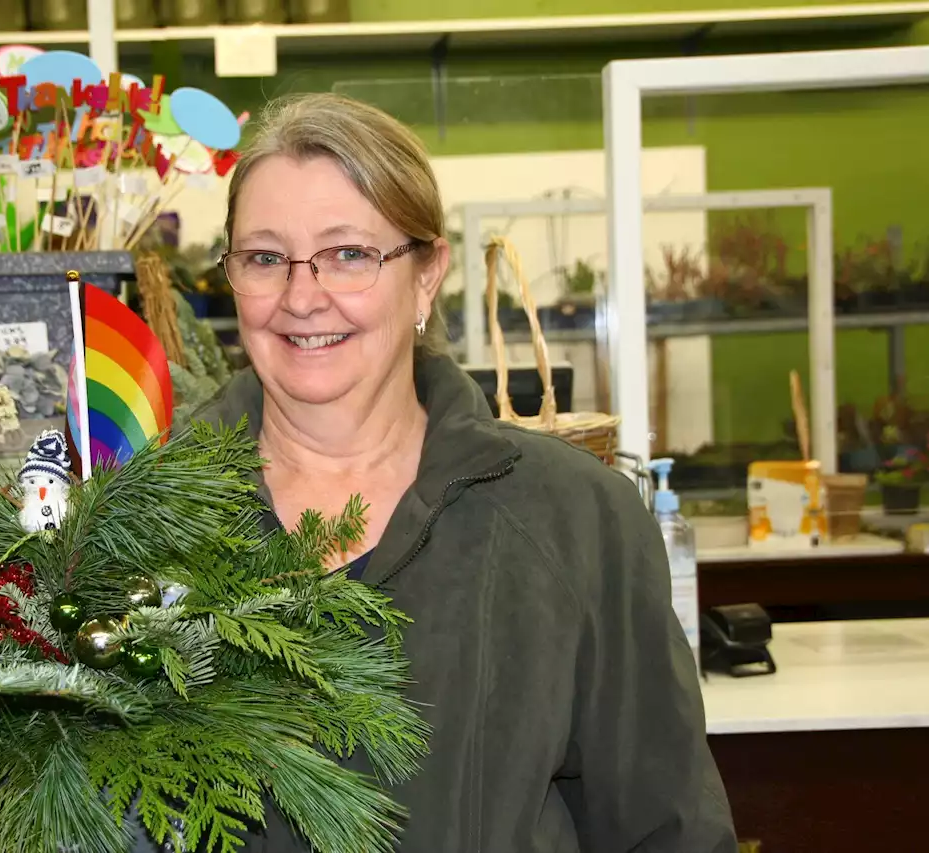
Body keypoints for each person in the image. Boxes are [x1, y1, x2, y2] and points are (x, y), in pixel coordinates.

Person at [193, 92, 738, 852]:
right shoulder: (135, 525)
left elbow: (666, 830)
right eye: (264, 257)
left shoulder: (577, 520)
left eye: (349, 253)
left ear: (426, 275)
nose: (301, 295)